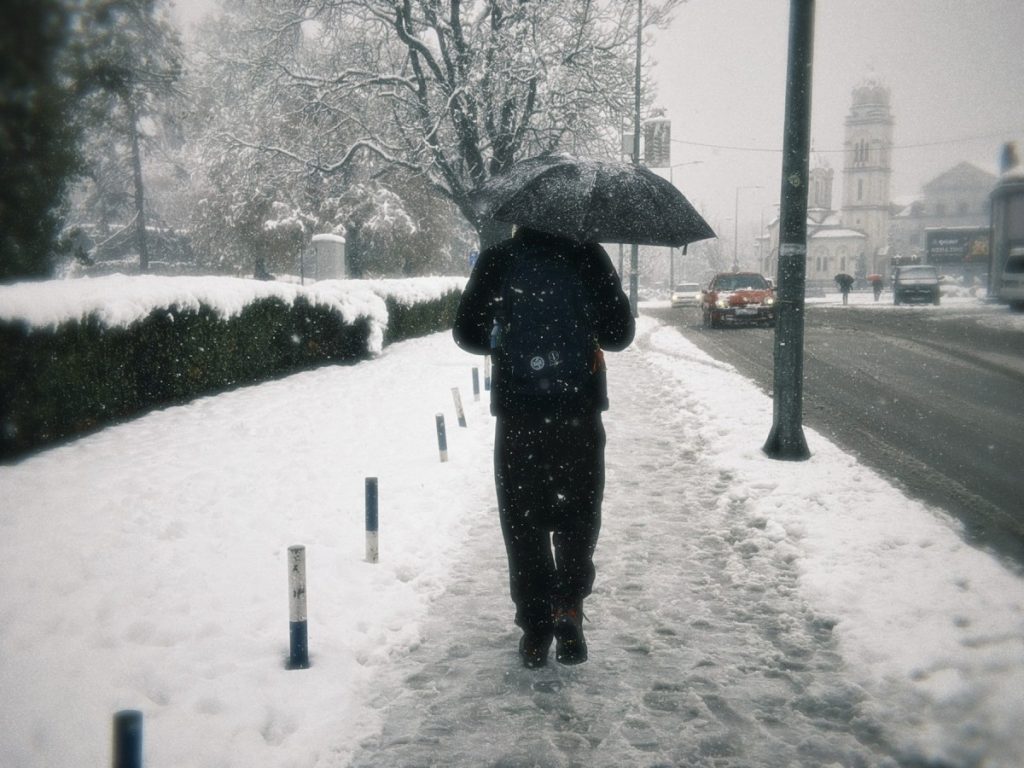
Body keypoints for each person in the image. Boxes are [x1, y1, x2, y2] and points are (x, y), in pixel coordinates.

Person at [453, 227, 635, 668]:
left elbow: (467, 333)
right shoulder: (588, 255)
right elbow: (620, 335)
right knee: (579, 511)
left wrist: (506, 336)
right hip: (578, 411)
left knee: (523, 520)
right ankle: (568, 604)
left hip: (519, 414)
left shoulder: (499, 258)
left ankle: (535, 628)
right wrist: (585, 327)